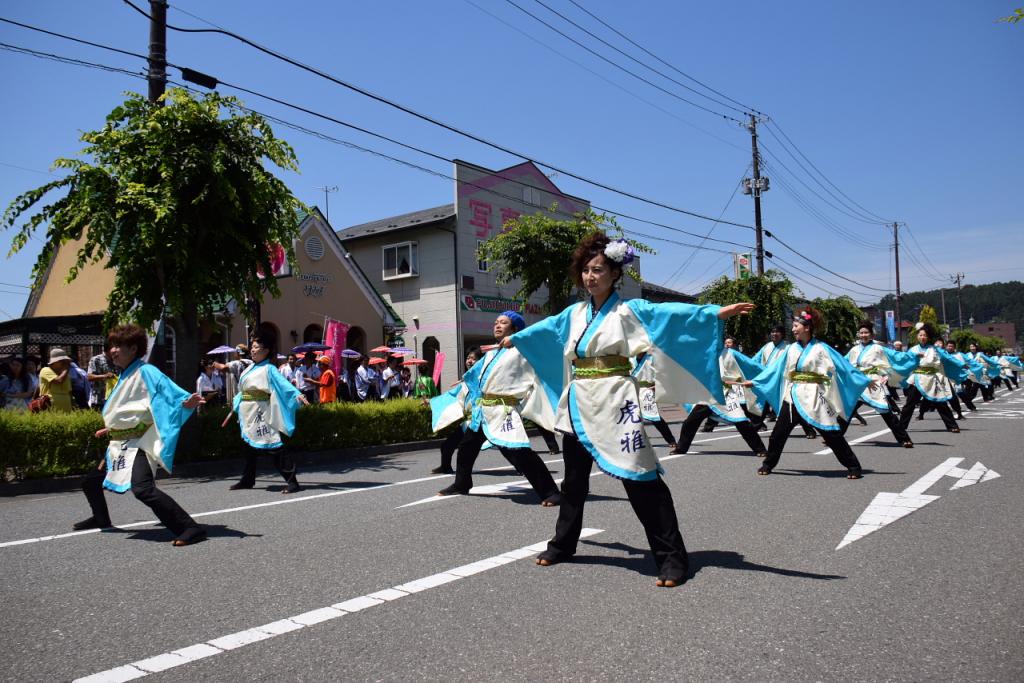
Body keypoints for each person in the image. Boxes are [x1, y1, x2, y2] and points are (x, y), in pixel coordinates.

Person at [507, 232, 754, 587]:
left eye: (598, 270)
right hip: (578, 401)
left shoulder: (630, 310)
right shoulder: (574, 313)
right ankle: (563, 544)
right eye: (586, 270)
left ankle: (672, 557)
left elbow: (669, 315)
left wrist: (713, 312)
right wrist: (515, 337)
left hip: (615, 398)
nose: (590, 277)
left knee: (640, 476)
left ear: (614, 274)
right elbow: (545, 331)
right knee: (574, 481)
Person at [73, 324, 206, 546]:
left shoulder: (146, 371)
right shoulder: (125, 374)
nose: (113, 350)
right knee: (91, 481)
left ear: (133, 348)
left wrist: (185, 403)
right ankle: (101, 517)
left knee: (142, 489)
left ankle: (190, 528)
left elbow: (167, 393)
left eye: (118, 346)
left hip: (139, 442)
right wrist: (113, 428)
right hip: (121, 442)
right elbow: (133, 410)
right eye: (112, 346)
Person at [433, 311, 562, 506]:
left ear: (515, 328)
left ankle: (551, 492)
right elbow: (476, 375)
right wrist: (463, 380)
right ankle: (462, 483)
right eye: (496, 322)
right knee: (466, 447)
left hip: (503, 410)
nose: (497, 325)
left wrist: (520, 340)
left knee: (519, 451)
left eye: (503, 322)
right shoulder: (492, 353)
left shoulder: (523, 350)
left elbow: (545, 352)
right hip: (483, 411)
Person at [751, 307, 869, 480]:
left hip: (814, 395)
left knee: (831, 433)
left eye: (796, 326)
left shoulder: (821, 348)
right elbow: (774, 369)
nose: (793, 329)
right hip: (792, 396)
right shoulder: (791, 349)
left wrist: (865, 379)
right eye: (793, 326)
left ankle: (853, 466)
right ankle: (768, 464)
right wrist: (755, 381)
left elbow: (844, 367)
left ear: (807, 327)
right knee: (778, 434)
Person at [225, 329, 307, 494]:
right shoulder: (249, 368)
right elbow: (243, 391)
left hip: (261, 413)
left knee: (273, 446)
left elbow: (283, 384)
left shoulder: (269, 368)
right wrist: (236, 405)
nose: (253, 350)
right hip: (248, 413)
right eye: (252, 347)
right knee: (248, 448)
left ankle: (292, 481)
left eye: (257, 347)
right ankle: (248, 479)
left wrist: (296, 394)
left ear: (266, 351)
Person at [672, 336, 768, 458]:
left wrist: (770, 374)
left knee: (741, 422)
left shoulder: (731, 353)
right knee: (691, 421)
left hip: (726, 394)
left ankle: (760, 449)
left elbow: (751, 365)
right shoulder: (705, 354)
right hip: (709, 395)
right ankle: (681, 448)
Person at [843, 320, 917, 447]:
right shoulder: (854, 350)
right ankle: (833, 438)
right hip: (858, 382)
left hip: (873, 381)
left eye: (866, 332)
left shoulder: (878, 348)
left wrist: (913, 355)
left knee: (885, 410)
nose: (863, 335)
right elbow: (842, 362)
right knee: (847, 411)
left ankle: (904, 439)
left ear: (872, 335)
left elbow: (896, 356)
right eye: (861, 333)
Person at [898, 323, 968, 434]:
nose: (922, 337)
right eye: (920, 335)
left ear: (928, 337)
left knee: (940, 402)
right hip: (918, 378)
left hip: (932, 379)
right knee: (909, 404)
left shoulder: (935, 349)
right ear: (917, 336)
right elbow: (904, 360)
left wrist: (961, 364)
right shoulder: (913, 350)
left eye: (925, 335)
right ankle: (901, 427)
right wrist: (914, 357)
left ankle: (952, 425)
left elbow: (948, 357)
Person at [429, 347, 482, 474]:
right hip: (470, 422)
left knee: (505, 445)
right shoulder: (465, 381)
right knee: (447, 445)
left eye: (473, 359)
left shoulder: (483, 378)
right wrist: (430, 401)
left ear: (481, 361)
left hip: (483, 420)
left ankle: (523, 466)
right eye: (468, 358)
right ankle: (446, 466)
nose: (469, 361)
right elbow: (451, 396)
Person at [87, 344, 118, 411]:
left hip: (114, 399)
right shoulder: (96, 360)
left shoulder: (118, 360)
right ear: (109, 349)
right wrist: (105, 376)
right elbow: (89, 377)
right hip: (99, 400)